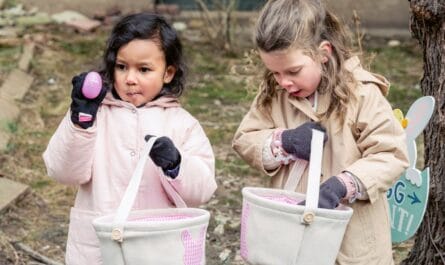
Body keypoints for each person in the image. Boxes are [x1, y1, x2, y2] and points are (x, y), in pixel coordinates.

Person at [232, 0, 409, 264]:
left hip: (354, 241)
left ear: (322, 53)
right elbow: (246, 138)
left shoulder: (361, 94)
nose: (284, 82)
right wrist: (285, 141)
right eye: (275, 73)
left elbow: (390, 154)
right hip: (293, 233)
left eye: (293, 71)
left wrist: (344, 184)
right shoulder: (275, 94)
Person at [43, 13, 217, 265]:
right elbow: (62, 172)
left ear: (168, 72)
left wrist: (176, 165)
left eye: (144, 69)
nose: (130, 78)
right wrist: (80, 125)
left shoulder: (183, 124)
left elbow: (202, 191)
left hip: (157, 249)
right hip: (100, 250)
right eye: (122, 66)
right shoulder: (95, 115)